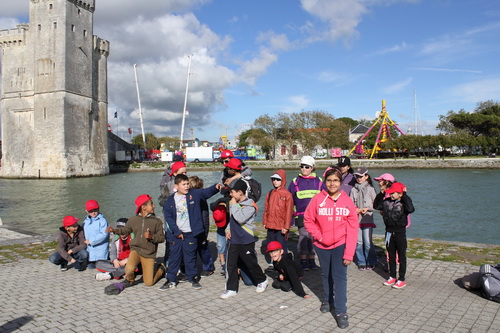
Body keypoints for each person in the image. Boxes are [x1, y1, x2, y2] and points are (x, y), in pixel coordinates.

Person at [304, 167, 359, 329]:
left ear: (341, 183)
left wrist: (349, 253)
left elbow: (353, 228)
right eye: (329, 180)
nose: (332, 183)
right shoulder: (317, 199)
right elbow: (308, 220)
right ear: (324, 182)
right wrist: (319, 236)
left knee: (340, 278)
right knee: (325, 274)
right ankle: (327, 300)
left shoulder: (347, 201)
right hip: (321, 246)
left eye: (335, 180)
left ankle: (341, 311)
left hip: (340, 245)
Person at [160, 174, 221, 290]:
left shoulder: (194, 194)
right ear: (176, 186)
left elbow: (206, 192)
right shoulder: (171, 199)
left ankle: (192, 278)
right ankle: (170, 279)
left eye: (187, 183)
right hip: (176, 235)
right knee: (174, 257)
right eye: (183, 184)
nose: (187, 186)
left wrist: (216, 187)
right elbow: (168, 217)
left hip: (190, 233)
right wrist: (177, 231)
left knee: (191, 257)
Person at [220, 179, 269, 299]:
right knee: (230, 265)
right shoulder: (234, 203)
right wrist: (227, 230)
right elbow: (231, 220)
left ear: (240, 192)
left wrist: (234, 205)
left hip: (246, 239)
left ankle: (262, 280)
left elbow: (240, 218)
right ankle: (231, 288)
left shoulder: (250, 206)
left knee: (251, 263)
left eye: (232, 192)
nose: (231, 195)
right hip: (233, 240)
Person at [106, 194, 166, 288]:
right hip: (136, 251)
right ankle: (129, 280)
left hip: (149, 253)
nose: (154, 206)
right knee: (128, 269)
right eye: (151, 204)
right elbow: (125, 230)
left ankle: (161, 269)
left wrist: (152, 237)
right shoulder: (133, 219)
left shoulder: (157, 221)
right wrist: (114, 230)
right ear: (144, 207)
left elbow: (162, 238)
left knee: (149, 283)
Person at [373, 182, 415, 289]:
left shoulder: (404, 203)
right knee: (391, 256)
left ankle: (401, 279)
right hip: (389, 232)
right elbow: (376, 205)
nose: (391, 195)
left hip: (400, 233)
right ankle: (392, 276)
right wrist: (381, 194)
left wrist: (404, 195)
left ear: (400, 194)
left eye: (394, 193)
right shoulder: (386, 202)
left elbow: (411, 209)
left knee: (401, 257)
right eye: (390, 193)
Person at [288, 156, 322, 271]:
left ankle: (312, 260)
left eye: (307, 167)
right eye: (302, 166)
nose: (304, 169)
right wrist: (292, 217)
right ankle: (303, 260)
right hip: (301, 215)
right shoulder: (295, 182)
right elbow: (290, 200)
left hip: (316, 216)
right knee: (303, 236)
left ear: (312, 168)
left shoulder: (319, 181)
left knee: (312, 237)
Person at [262, 169, 293, 268]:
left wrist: (286, 226)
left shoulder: (287, 194)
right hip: (271, 225)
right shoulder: (270, 193)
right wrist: (265, 221)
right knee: (271, 244)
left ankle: (284, 263)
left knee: (282, 246)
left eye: (278, 179)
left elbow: (289, 212)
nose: (275, 181)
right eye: (273, 179)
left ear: (282, 180)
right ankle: (274, 261)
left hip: (281, 226)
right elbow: (266, 208)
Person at [350, 167, 378, 270]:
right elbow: (350, 204)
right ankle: (361, 261)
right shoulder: (353, 190)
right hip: (356, 220)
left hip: (367, 219)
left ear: (366, 177)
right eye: (357, 176)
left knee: (367, 242)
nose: (359, 179)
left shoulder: (371, 189)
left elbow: (376, 204)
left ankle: (371, 261)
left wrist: (368, 209)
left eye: (361, 176)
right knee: (359, 242)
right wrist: (356, 209)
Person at [189, 175, 216, 276]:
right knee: (201, 247)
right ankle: (206, 267)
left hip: (201, 226)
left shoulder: (199, 195)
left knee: (202, 246)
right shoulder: (198, 195)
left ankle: (208, 266)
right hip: (200, 225)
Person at [83, 199, 109, 269]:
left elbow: (104, 234)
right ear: (87, 211)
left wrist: (91, 241)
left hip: (101, 250)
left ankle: (106, 259)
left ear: (98, 209)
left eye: (95, 210)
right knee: (91, 267)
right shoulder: (86, 221)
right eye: (90, 211)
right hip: (91, 250)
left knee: (100, 266)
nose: (93, 213)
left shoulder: (102, 221)